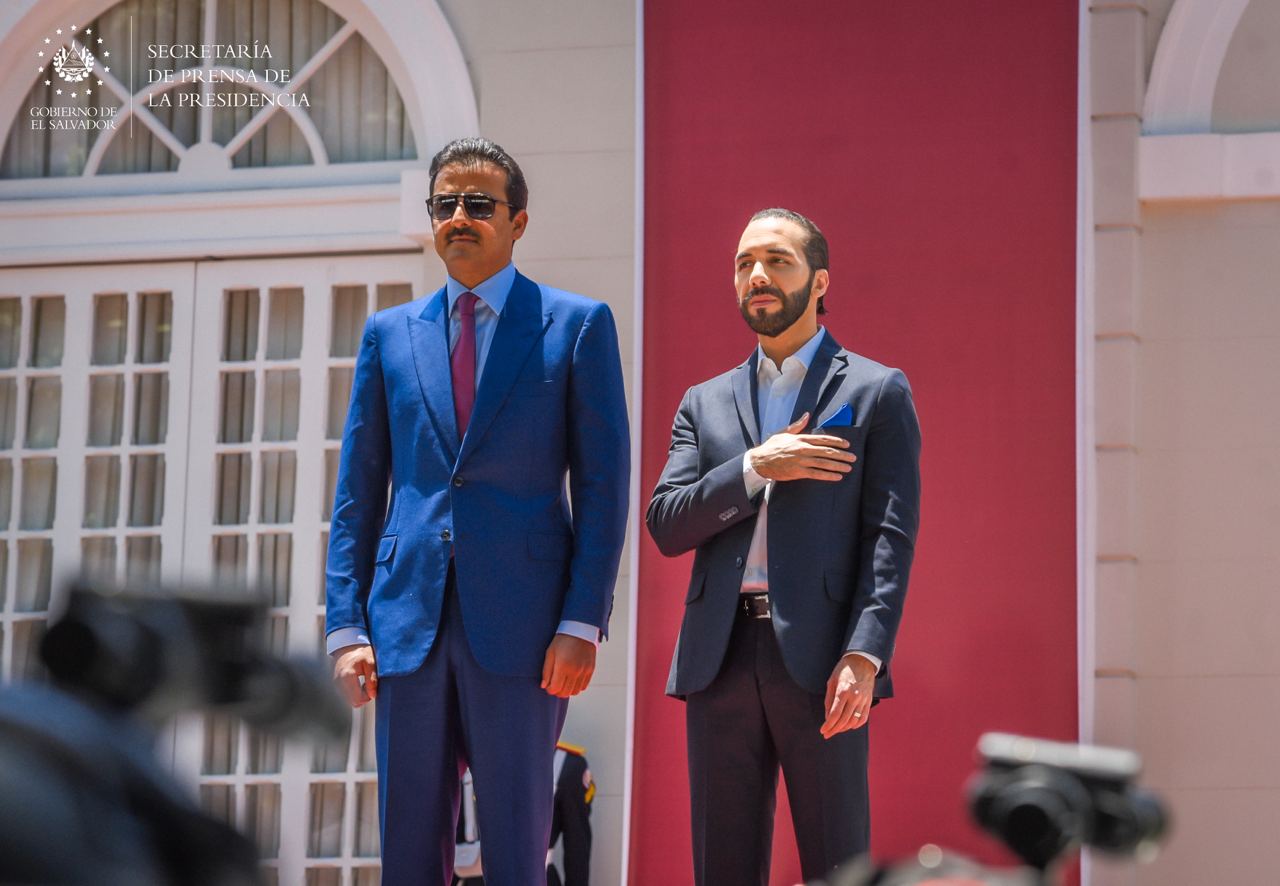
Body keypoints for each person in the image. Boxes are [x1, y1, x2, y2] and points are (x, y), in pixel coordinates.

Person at [325, 137, 629, 886]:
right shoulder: (388, 335)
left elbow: (602, 486)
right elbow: (359, 492)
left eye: (478, 204)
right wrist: (346, 626)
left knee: (518, 848)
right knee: (407, 850)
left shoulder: (577, 325)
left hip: (528, 629)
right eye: (445, 204)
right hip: (406, 626)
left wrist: (581, 620)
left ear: (518, 221)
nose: (459, 217)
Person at [646, 207, 921, 884]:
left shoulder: (876, 390)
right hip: (718, 658)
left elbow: (889, 537)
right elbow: (667, 523)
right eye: (744, 263)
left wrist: (865, 654)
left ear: (820, 281)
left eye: (777, 260)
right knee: (723, 870)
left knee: (838, 865)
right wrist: (754, 467)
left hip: (825, 661)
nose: (757, 275)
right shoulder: (702, 402)